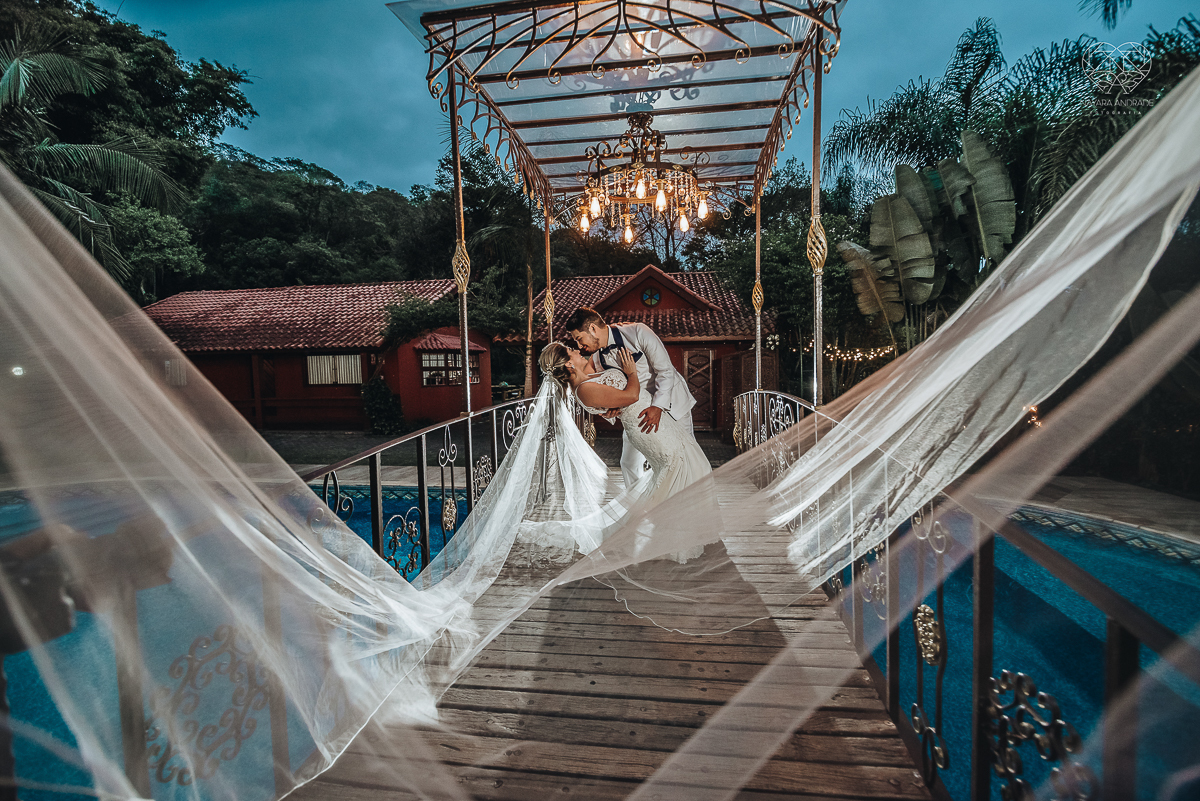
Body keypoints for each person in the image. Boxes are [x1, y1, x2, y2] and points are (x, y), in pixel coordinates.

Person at [538, 340, 712, 536]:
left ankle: (684, 527)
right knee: (680, 465)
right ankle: (673, 532)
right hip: (646, 425)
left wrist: (609, 407)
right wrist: (631, 372)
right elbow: (632, 396)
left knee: (687, 466)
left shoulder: (586, 378)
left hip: (652, 419)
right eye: (571, 350)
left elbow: (612, 396)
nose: (577, 350)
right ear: (569, 364)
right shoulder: (583, 389)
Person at [564, 306, 696, 489]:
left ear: (593, 329)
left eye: (579, 338)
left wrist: (657, 407)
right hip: (639, 412)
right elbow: (606, 391)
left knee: (687, 458)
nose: (580, 346)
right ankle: (640, 509)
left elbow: (665, 371)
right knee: (629, 463)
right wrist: (610, 410)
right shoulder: (597, 358)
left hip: (672, 404)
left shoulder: (638, 332)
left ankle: (689, 503)